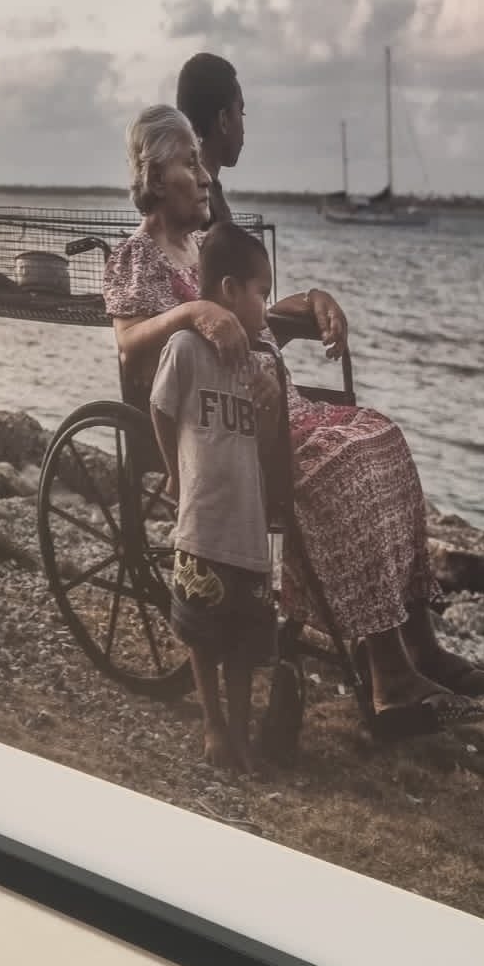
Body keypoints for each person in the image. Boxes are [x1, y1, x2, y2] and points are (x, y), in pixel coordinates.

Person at [105, 104, 484, 733]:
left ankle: (418, 645)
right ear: (155, 176)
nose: (204, 176)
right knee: (340, 470)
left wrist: (313, 302)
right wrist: (191, 315)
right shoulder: (138, 258)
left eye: (200, 163)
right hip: (216, 424)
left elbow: (255, 314)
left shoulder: (209, 247)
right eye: (188, 164)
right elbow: (129, 344)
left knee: (382, 440)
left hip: (268, 402)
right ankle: (388, 676)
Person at [149, 222, 278, 773]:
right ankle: (213, 723)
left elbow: (267, 443)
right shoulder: (185, 349)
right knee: (202, 634)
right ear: (229, 290)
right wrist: (174, 472)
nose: (266, 309)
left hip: (248, 529)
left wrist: (272, 402)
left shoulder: (262, 363)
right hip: (203, 521)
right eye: (261, 294)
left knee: (245, 642)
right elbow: (160, 408)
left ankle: (242, 733)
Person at [175, 51, 243, 227]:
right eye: (241, 112)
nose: (243, 130)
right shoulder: (202, 203)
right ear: (223, 120)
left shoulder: (179, 195)